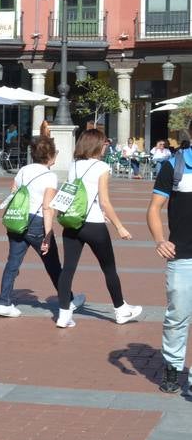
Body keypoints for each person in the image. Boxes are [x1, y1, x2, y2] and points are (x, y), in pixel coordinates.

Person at [55, 128, 140, 329]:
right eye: (104, 144)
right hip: (93, 224)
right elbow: (105, 201)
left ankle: (63, 314)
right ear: (96, 145)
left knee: (68, 269)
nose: (105, 147)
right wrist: (120, 227)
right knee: (109, 268)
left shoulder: (73, 164)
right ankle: (120, 309)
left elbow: (76, 192)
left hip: (72, 223)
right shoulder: (102, 167)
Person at [0, 136, 85, 319]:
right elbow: (47, 207)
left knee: (12, 263)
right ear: (50, 155)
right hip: (37, 222)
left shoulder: (23, 170)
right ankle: (67, 301)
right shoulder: (50, 176)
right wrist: (48, 234)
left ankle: (4, 302)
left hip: (18, 219)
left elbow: (13, 191)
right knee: (53, 265)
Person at [147, 127, 192, 394]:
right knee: (177, 317)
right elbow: (153, 209)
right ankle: (172, 368)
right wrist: (160, 240)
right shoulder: (174, 165)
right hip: (182, 256)